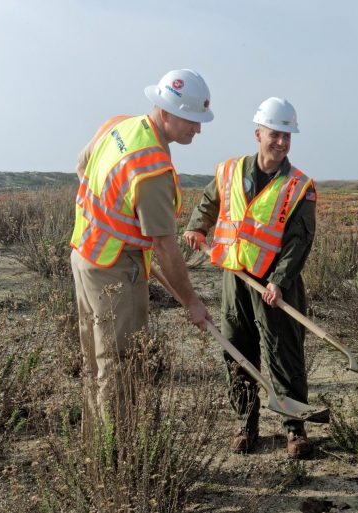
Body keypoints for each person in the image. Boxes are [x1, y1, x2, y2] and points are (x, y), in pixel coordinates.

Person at [70, 69, 214, 428]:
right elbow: (166, 248)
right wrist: (193, 303)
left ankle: (97, 445)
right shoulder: (152, 169)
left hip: (85, 254)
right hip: (116, 268)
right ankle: (115, 456)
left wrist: (117, 221)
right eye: (192, 120)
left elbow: (81, 166)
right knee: (119, 364)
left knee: (97, 360)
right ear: (166, 112)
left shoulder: (117, 125)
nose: (197, 129)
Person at [183, 97, 317, 458]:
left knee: (284, 356)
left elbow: (299, 241)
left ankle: (295, 429)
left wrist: (280, 279)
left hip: (276, 286)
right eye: (275, 134)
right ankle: (247, 424)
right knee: (237, 351)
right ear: (258, 133)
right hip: (235, 280)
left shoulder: (299, 186)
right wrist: (198, 226)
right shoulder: (229, 171)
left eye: (288, 136)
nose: (282, 143)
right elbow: (210, 201)